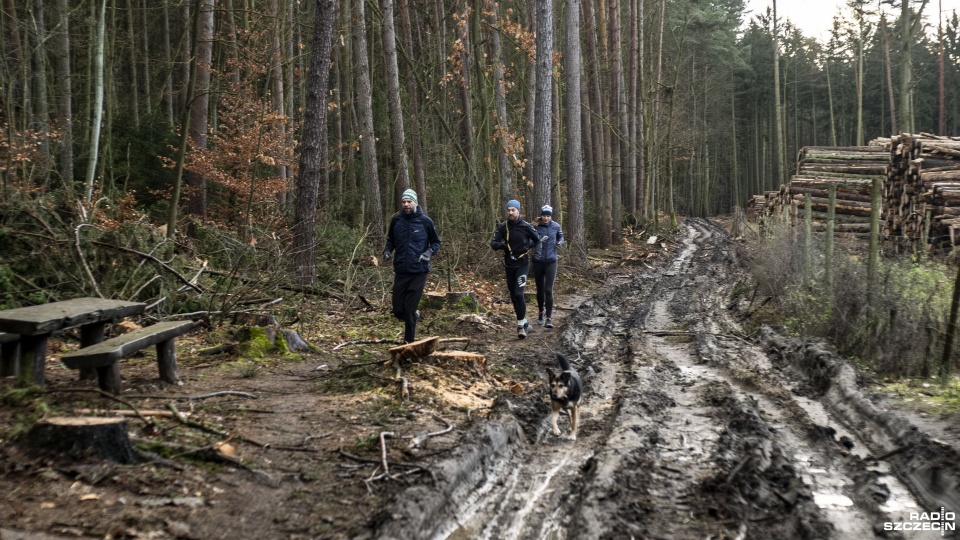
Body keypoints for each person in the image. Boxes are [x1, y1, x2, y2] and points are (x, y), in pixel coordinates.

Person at [383, 189, 441, 343]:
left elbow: (436, 242)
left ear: (415, 202)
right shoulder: (396, 220)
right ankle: (414, 315)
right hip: (401, 271)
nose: (406, 204)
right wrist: (387, 251)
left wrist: (429, 252)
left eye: (409, 201)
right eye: (404, 202)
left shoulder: (425, 221)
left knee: (408, 310)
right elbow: (391, 240)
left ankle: (408, 343)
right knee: (397, 311)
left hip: (419, 272)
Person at [490, 199, 541, 339]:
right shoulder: (503, 227)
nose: (511, 212)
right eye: (509, 210)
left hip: (523, 264)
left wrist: (534, 251)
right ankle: (525, 324)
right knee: (513, 296)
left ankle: (520, 327)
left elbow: (537, 240)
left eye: (513, 210)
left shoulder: (526, 226)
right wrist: (502, 246)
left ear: (519, 211)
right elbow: (493, 243)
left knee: (519, 294)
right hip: (509, 265)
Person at [532, 205, 564, 328]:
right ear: (541, 215)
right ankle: (541, 311)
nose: (546, 218)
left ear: (551, 216)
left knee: (548, 290)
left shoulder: (556, 226)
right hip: (538, 261)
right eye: (544, 216)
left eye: (548, 216)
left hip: (551, 261)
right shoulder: (535, 226)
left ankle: (549, 318)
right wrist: (538, 241)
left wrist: (559, 242)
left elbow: (561, 237)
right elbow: (530, 241)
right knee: (540, 290)